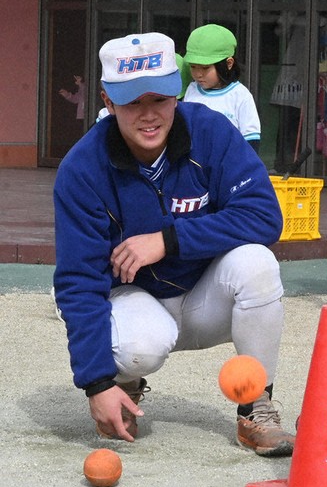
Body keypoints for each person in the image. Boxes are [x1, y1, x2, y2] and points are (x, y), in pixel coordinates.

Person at [52, 32, 294, 457]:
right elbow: (78, 280)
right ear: (108, 103)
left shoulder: (211, 132)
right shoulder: (81, 169)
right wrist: (96, 383)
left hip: (204, 297)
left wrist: (168, 239)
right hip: (132, 299)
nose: (149, 115)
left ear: (177, 95)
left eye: (160, 99)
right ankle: (125, 380)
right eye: (132, 102)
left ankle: (256, 406)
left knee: (258, 263)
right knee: (139, 348)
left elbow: (265, 217)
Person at [182, 24, 262, 154]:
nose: (198, 74)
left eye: (205, 67)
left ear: (229, 63)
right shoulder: (192, 90)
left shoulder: (240, 95)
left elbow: (251, 139)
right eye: (193, 67)